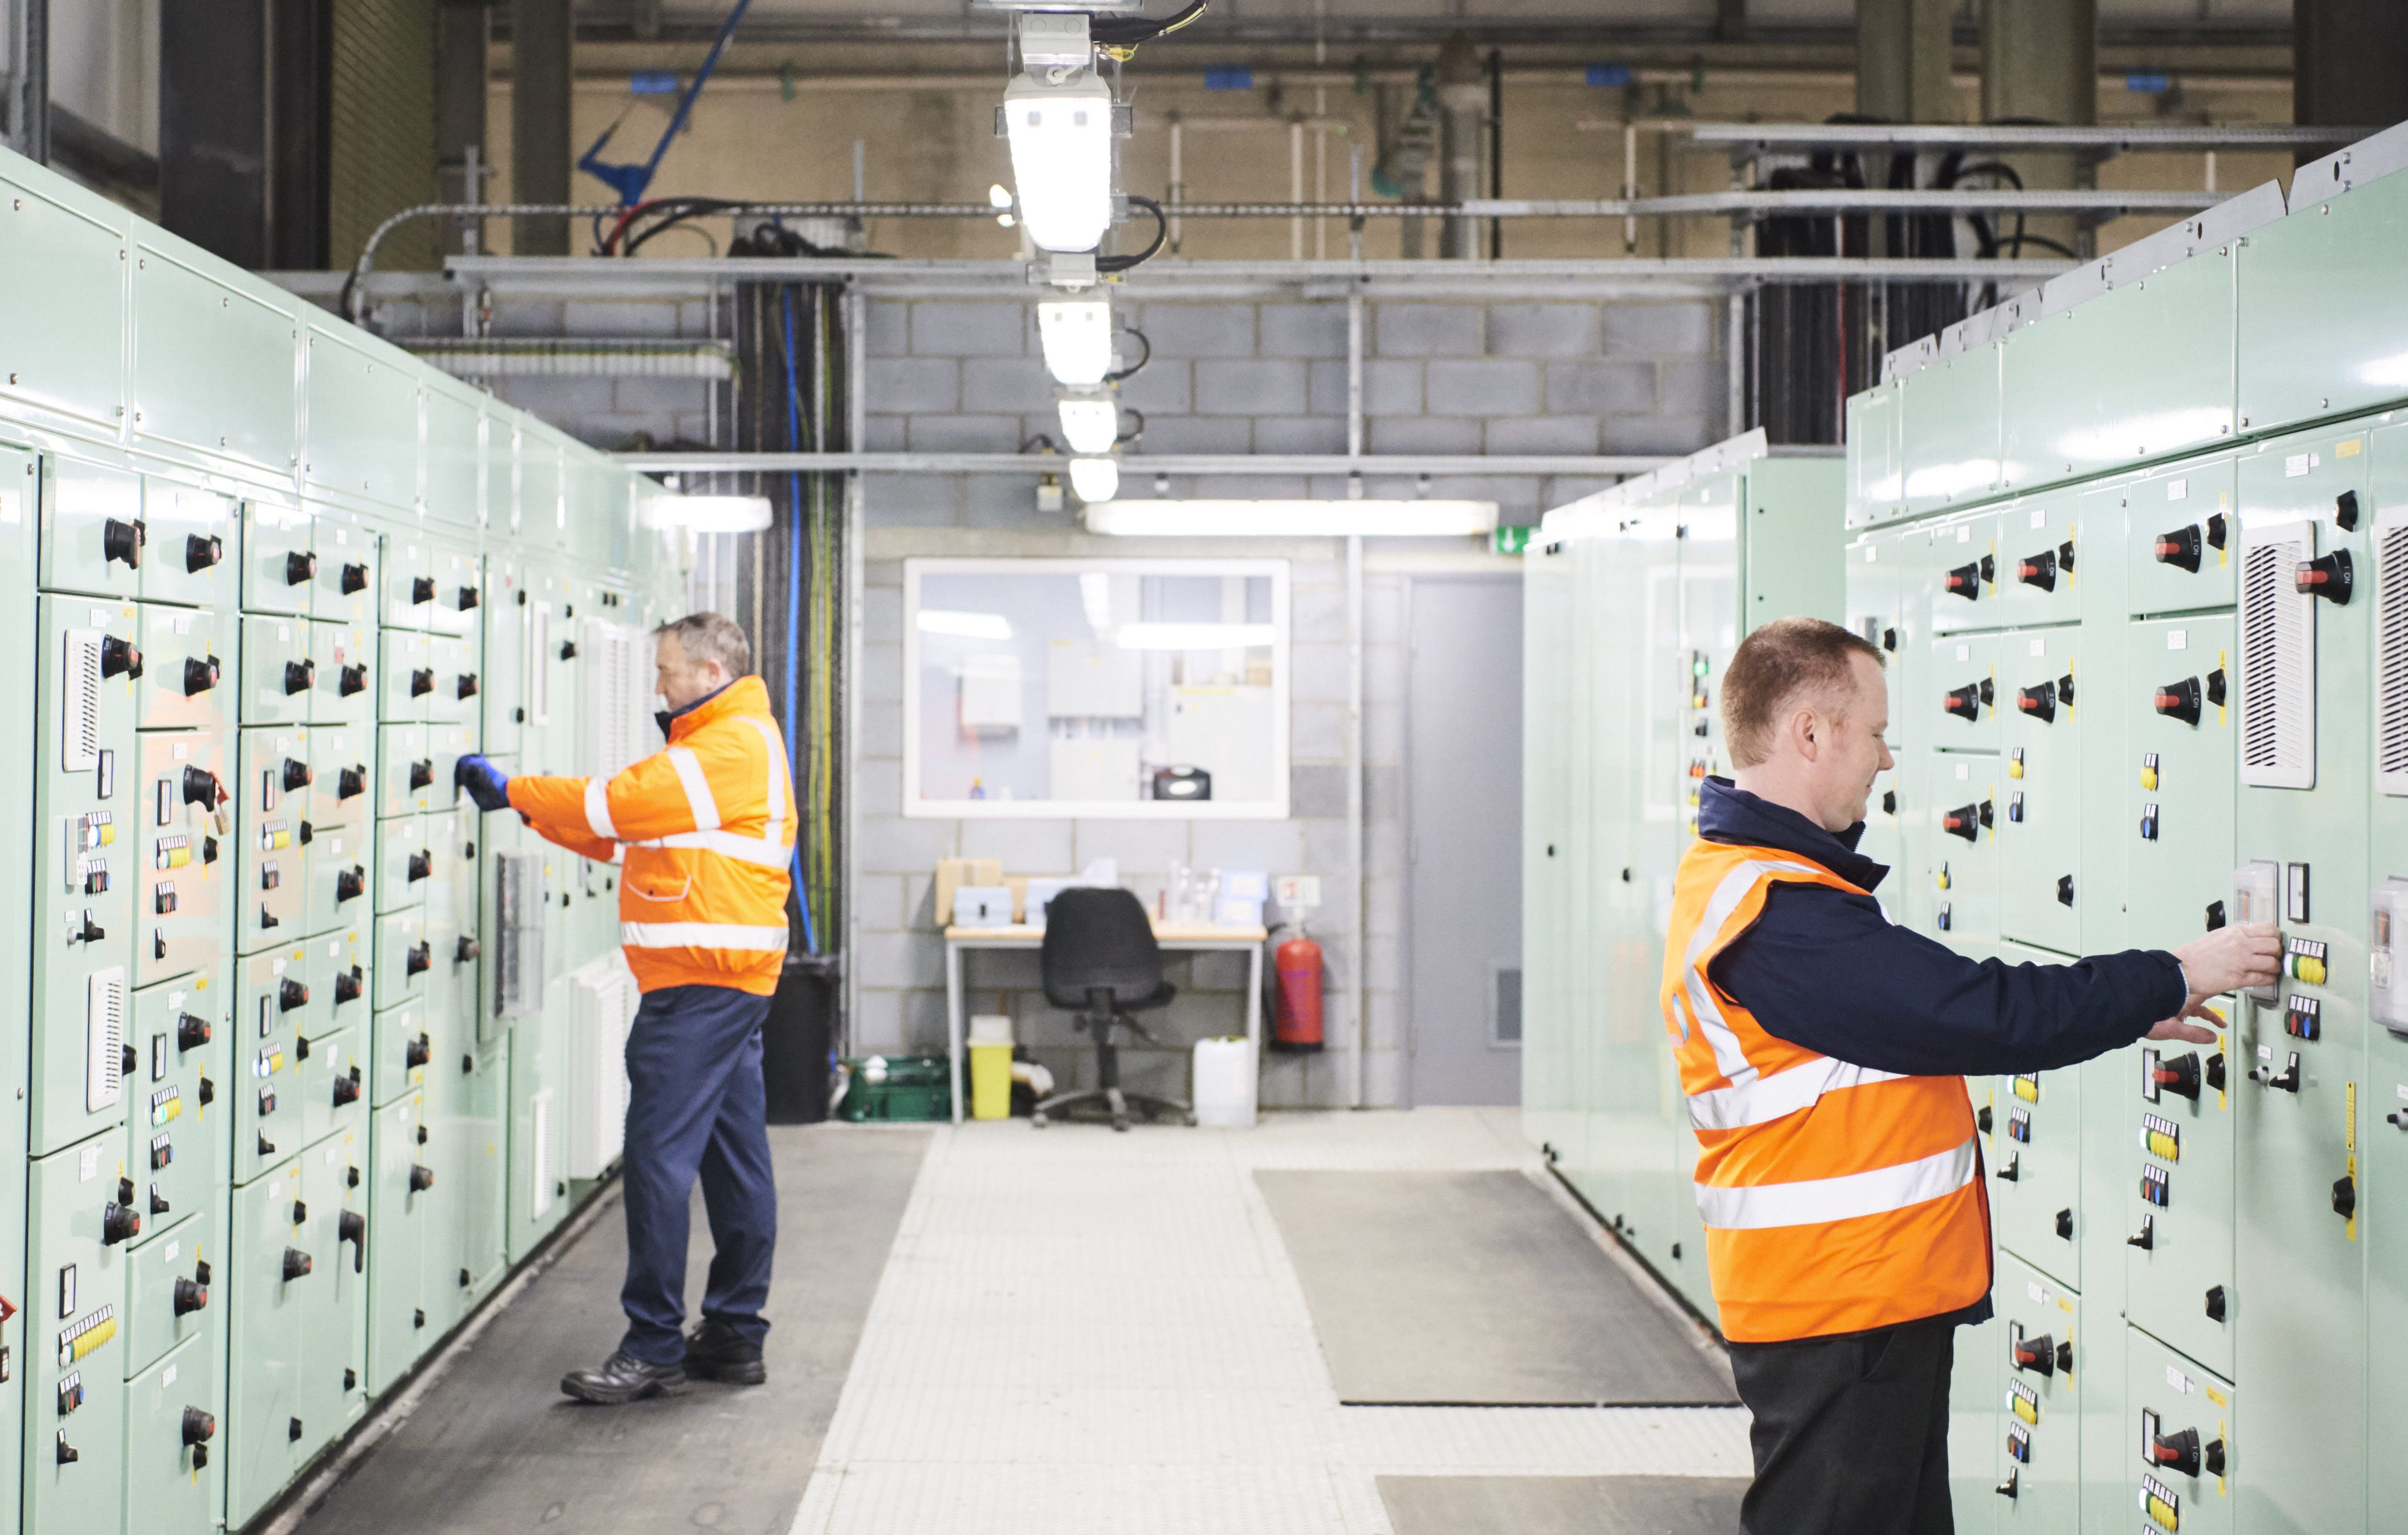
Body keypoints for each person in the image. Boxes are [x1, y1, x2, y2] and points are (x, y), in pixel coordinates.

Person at [1662, 616, 2278, 1535]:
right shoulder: (1776, 912)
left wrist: (2130, 1008)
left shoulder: (1762, 886)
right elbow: (1976, 1012)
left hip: (1863, 1300)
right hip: (1840, 1306)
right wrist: (2176, 971)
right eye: (1875, 734)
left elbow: (1933, 1020)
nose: (1885, 760)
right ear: (1811, 736)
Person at [455, 612, 798, 1405]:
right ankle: (735, 1335)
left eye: (668, 670)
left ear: (711, 672)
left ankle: (653, 1345)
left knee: (657, 1161)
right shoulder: (727, 745)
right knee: (735, 1159)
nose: (658, 684)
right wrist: (527, 811)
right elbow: (626, 839)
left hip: (696, 989)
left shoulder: (729, 745)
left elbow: (617, 804)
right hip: (730, 982)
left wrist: (512, 787)